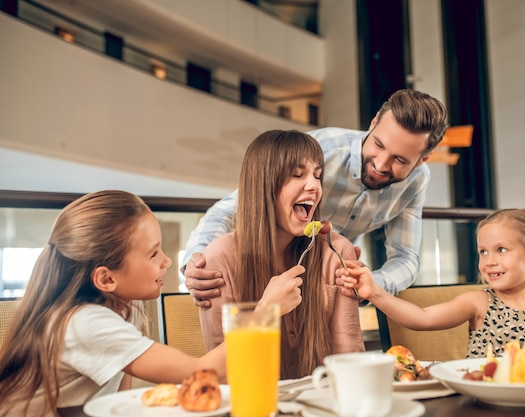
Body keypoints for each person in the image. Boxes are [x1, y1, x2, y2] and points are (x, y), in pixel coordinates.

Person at [0, 190, 302, 417]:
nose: (167, 261)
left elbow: (118, 395)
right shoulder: (85, 323)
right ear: (106, 279)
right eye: (153, 254)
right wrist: (265, 311)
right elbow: (200, 372)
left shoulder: (124, 307)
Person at [184, 88, 450, 307]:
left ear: (422, 160)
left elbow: (406, 257)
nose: (380, 165)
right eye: (378, 145)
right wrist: (197, 260)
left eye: (400, 159)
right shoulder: (322, 149)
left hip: (326, 290)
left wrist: (371, 284)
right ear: (372, 124)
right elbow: (230, 210)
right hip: (259, 278)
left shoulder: (417, 180)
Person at [199, 129, 365, 379]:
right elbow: (222, 376)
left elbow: (349, 356)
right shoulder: (219, 260)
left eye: (317, 176)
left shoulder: (336, 252)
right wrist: (267, 312)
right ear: (263, 185)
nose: (314, 186)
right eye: (297, 175)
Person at [338, 208, 525, 357]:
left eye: (501, 250)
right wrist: (375, 292)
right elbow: (422, 318)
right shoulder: (479, 302)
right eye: (483, 251)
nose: (489, 261)